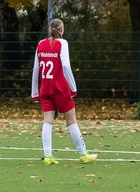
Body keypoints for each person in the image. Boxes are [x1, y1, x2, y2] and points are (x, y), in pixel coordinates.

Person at [31, 18, 96, 165]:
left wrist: (35, 91)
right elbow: (66, 66)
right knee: (71, 120)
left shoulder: (41, 44)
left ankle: (48, 156)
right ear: (62, 29)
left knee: (47, 121)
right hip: (60, 88)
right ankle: (83, 154)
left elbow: (36, 68)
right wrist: (73, 88)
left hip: (45, 88)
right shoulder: (63, 43)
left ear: (50, 29)